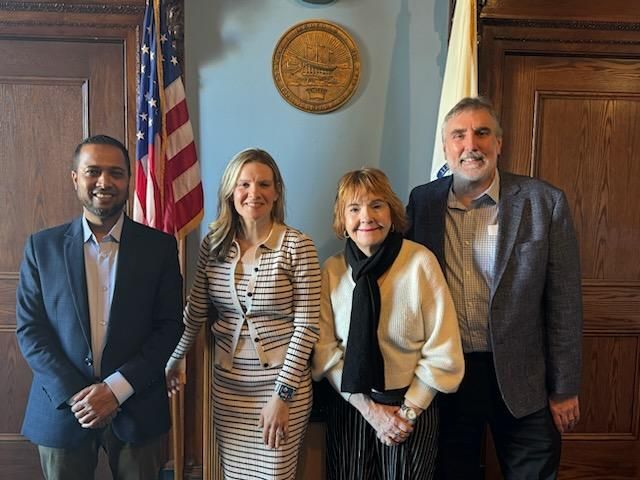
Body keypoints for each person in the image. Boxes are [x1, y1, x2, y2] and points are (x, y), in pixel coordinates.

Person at [406, 96, 583, 479]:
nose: (471, 144)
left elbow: (564, 303)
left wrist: (565, 387)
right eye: (459, 135)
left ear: (499, 144)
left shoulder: (544, 201)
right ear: (446, 147)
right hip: (447, 374)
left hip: (524, 378)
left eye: (482, 133)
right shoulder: (422, 203)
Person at [15, 135, 184, 480]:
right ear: (75, 177)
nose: (104, 182)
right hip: (63, 408)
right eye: (93, 171)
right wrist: (80, 396)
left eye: (116, 173)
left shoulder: (160, 248)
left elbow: (169, 327)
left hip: (138, 405)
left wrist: (115, 389)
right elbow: (31, 330)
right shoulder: (41, 247)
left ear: (128, 180)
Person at [166, 148, 321, 480]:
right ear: (230, 192)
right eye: (244, 184)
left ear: (276, 191)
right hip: (229, 388)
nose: (254, 193)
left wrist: (283, 395)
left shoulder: (297, 246)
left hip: (281, 387)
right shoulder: (214, 244)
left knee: (275, 475)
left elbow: (307, 326)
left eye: (264, 184)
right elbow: (197, 310)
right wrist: (178, 356)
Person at [312, 167, 464, 480]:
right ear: (343, 222)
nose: (366, 216)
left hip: (411, 408)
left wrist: (406, 414)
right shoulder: (332, 271)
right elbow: (325, 350)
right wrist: (370, 411)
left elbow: (443, 349)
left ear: (392, 213)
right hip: (352, 406)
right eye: (354, 208)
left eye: (377, 205)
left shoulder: (420, 262)